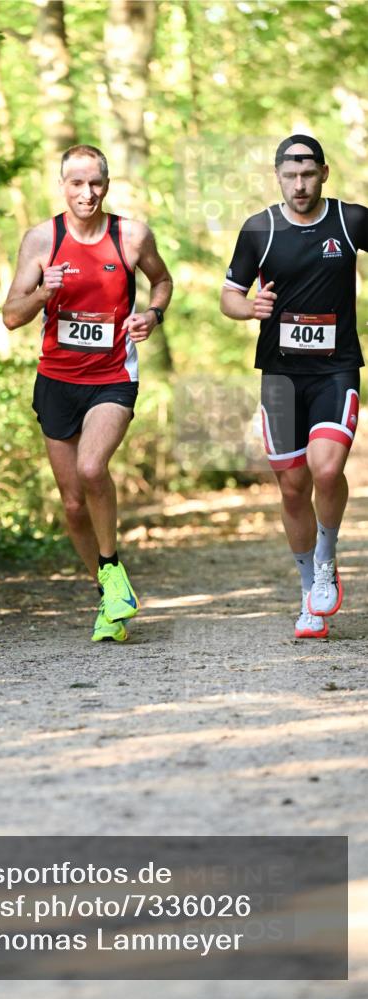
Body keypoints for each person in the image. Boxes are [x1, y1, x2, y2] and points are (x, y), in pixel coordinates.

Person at [2, 144, 173, 641]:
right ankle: (110, 595)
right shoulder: (41, 239)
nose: (87, 192)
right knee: (73, 503)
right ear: (63, 186)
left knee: (92, 467)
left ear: (107, 183)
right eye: (76, 183)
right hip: (56, 381)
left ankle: (111, 566)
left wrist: (153, 315)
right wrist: (43, 292)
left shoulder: (132, 235)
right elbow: (11, 316)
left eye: (95, 182)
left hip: (112, 377)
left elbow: (162, 281)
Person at [221, 135, 367, 638]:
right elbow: (229, 297)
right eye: (290, 175)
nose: (299, 184)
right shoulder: (260, 228)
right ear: (278, 176)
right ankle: (309, 596)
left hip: (335, 369)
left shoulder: (350, 221)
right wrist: (249, 308)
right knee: (291, 487)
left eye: (308, 174)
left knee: (326, 470)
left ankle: (326, 558)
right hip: (280, 376)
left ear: (324, 173)